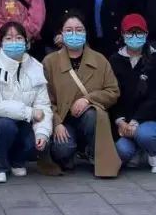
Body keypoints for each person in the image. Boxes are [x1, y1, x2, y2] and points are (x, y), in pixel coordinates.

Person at [44, 13, 121, 177]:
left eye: (79, 30)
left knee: (93, 115)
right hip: (63, 120)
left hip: (88, 118)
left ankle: (93, 152)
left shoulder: (100, 60)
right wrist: (56, 123)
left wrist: (88, 99)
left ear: (86, 32)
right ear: (61, 34)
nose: (74, 34)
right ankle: (69, 155)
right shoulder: (50, 62)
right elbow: (44, 99)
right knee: (62, 150)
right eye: (69, 30)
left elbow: (113, 91)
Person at [0, 21, 52, 182]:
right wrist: (29, 112)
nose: (14, 42)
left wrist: (42, 132)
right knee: (6, 125)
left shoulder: (36, 67)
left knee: (34, 139)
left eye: (19, 38)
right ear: (1, 42)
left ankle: (16, 161)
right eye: (9, 38)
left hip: (24, 121)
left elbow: (43, 105)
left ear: (26, 42)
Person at [108, 15, 156, 174]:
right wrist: (120, 122)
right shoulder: (115, 60)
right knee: (122, 150)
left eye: (139, 32)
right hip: (126, 123)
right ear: (123, 34)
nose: (134, 37)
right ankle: (139, 150)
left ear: (146, 33)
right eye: (130, 33)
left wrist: (136, 121)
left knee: (145, 134)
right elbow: (113, 94)